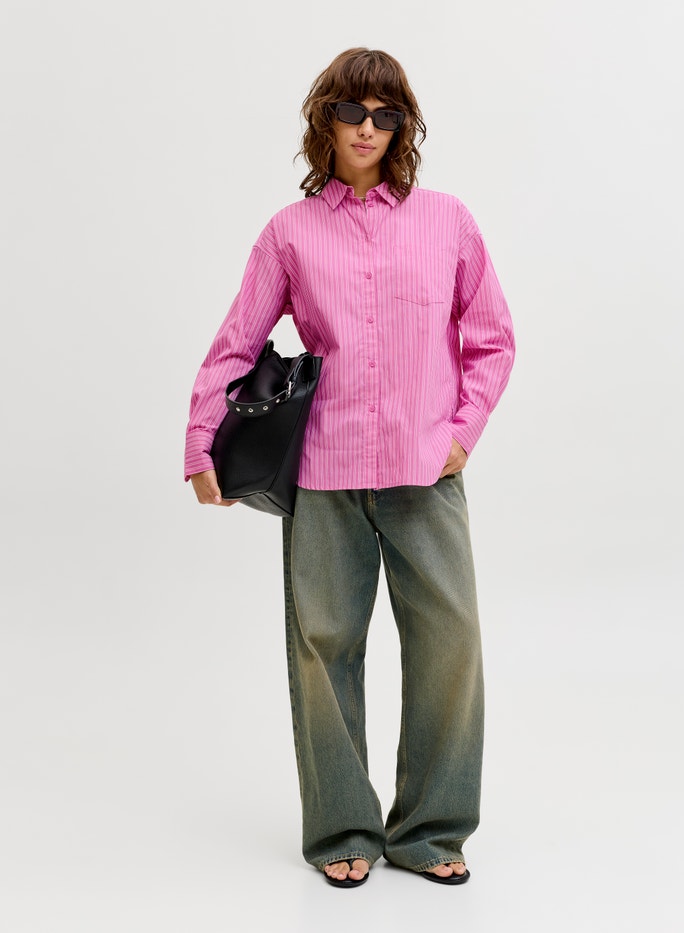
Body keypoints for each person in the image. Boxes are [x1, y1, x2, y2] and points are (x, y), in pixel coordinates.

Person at [184, 47, 515, 887]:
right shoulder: (289, 233)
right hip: (323, 471)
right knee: (323, 648)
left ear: (402, 127)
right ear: (324, 120)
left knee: (450, 643)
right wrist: (200, 441)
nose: (367, 129)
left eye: (385, 115)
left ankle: (431, 829)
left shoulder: (448, 221)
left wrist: (462, 433)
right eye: (351, 112)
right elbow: (237, 342)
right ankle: (343, 826)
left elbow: (492, 339)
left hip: (425, 471)